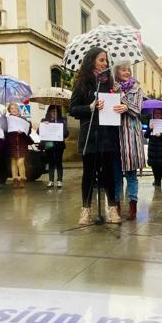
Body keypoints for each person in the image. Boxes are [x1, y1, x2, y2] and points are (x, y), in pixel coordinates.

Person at [69, 47, 121, 225]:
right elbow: (72, 109)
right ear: (92, 61)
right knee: (89, 174)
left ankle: (112, 209)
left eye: (106, 60)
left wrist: (119, 102)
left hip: (108, 134)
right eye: (101, 60)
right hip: (89, 134)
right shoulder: (82, 83)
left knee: (108, 174)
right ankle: (86, 211)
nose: (105, 63)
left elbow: (116, 107)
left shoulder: (110, 83)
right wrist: (89, 107)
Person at [114, 62, 145, 220]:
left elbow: (138, 109)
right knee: (117, 174)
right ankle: (117, 206)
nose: (126, 72)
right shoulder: (111, 87)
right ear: (117, 71)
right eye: (123, 69)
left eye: (128, 70)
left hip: (131, 137)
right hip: (115, 136)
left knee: (131, 174)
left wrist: (124, 103)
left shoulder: (137, 89)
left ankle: (133, 206)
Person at [5, 102, 31, 189]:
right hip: (11, 143)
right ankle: (15, 179)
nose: (14, 110)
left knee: (20, 162)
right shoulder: (7, 119)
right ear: (9, 110)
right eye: (12, 108)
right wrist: (2, 116)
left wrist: (23, 130)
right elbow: (3, 128)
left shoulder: (23, 119)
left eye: (16, 108)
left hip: (22, 143)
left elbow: (28, 130)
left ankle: (23, 179)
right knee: (13, 162)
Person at [41, 106, 68, 188]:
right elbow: (40, 132)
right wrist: (44, 125)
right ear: (49, 112)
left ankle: (59, 180)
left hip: (59, 146)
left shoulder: (61, 121)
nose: (53, 113)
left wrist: (61, 128)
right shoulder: (44, 121)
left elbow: (66, 133)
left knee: (59, 163)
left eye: (55, 111)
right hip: (49, 145)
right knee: (51, 163)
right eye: (52, 111)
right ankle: (51, 180)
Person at [146, 108, 162, 188]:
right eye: (155, 113)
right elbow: (145, 135)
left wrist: (161, 135)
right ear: (153, 114)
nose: (157, 114)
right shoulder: (151, 123)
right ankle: (155, 179)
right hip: (153, 149)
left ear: (161, 114)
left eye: (159, 113)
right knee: (153, 165)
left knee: (160, 165)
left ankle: (158, 180)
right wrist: (150, 129)